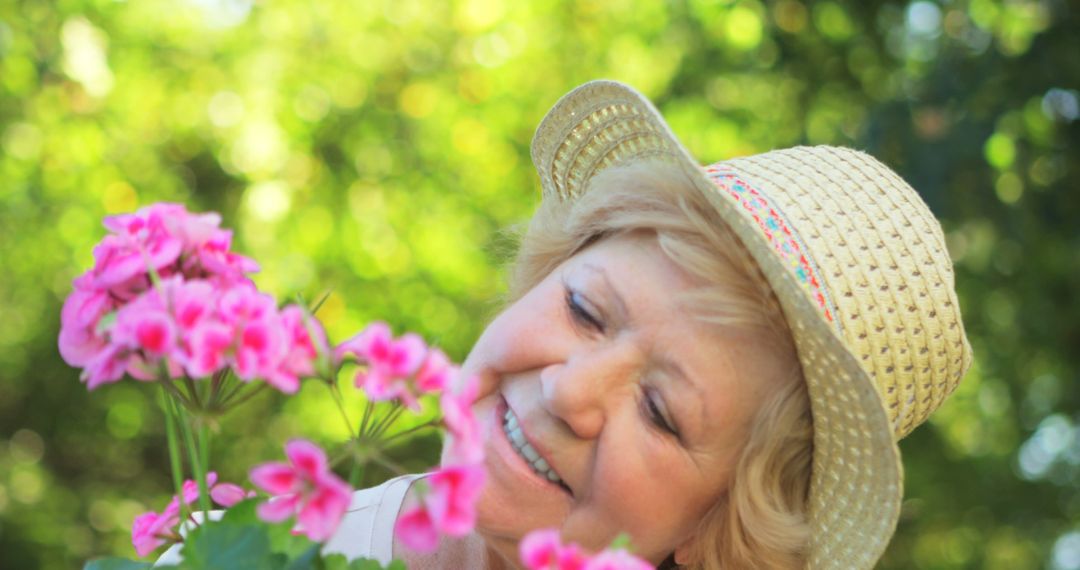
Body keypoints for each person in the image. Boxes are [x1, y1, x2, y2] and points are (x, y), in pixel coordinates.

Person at [162, 80, 974, 569]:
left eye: (662, 412)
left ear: (719, 527)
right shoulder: (232, 552)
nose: (567, 390)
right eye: (585, 310)